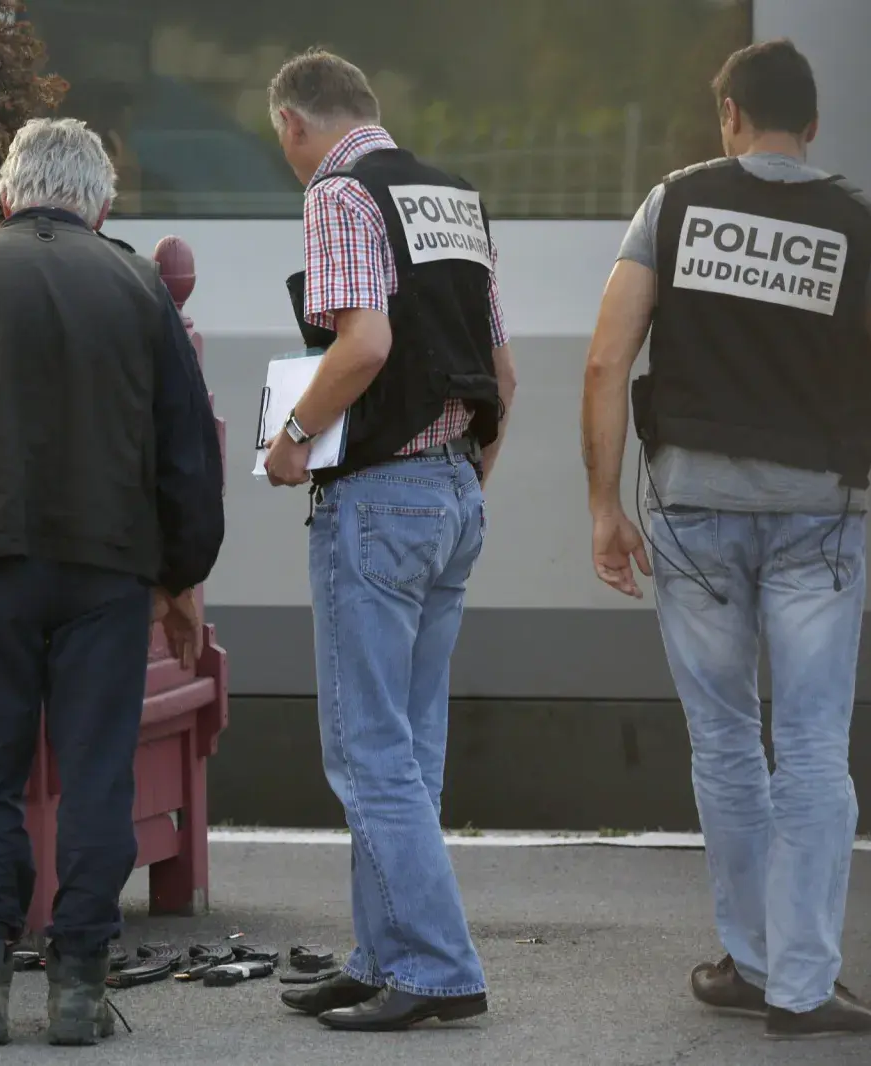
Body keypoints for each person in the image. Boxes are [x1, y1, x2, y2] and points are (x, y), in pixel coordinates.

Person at [580, 38, 871, 1040]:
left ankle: (751, 963)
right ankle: (800, 982)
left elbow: (606, 360)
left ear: (730, 116)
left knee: (723, 741)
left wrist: (603, 505)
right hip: (815, 522)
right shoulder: (862, 225)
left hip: (692, 516)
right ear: (813, 125)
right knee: (810, 744)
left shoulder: (671, 206)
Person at [0, 116, 223, 1047]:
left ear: (5, 197)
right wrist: (180, 573)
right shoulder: (142, 288)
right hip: (111, 573)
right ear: (100, 206)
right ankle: (78, 987)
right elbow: (187, 453)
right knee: (98, 775)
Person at [262, 50, 517, 1032]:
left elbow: (364, 343)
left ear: (293, 123)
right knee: (408, 751)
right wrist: (460, 482)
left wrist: (292, 437)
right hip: (452, 489)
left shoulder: (339, 192)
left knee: (368, 752)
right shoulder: (451, 196)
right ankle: (382, 956)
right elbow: (501, 372)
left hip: (380, 496)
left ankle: (437, 967)